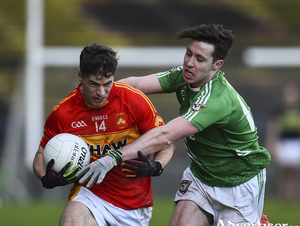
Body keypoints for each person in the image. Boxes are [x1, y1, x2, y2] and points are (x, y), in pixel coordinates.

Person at [77, 24, 271, 226]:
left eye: (200, 59)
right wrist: (84, 95)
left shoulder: (218, 99)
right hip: (202, 177)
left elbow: (166, 135)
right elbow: (134, 86)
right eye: (189, 54)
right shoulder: (183, 77)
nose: (189, 63)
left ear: (217, 65)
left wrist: (113, 158)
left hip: (238, 184)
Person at [32, 43, 175, 226]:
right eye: (93, 84)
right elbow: (40, 153)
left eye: (107, 84)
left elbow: (166, 142)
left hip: (135, 205)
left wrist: (157, 165)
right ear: (80, 76)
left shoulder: (134, 100)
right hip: (91, 195)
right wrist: (45, 177)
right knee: (71, 220)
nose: (101, 93)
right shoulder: (62, 113)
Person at [265, 82, 300, 201]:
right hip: (284, 142)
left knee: (293, 171)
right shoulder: (279, 109)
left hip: (296, 142)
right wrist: (272, 143)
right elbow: (273, 127)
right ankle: (283, 195)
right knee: (284, 171)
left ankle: (292, 194)